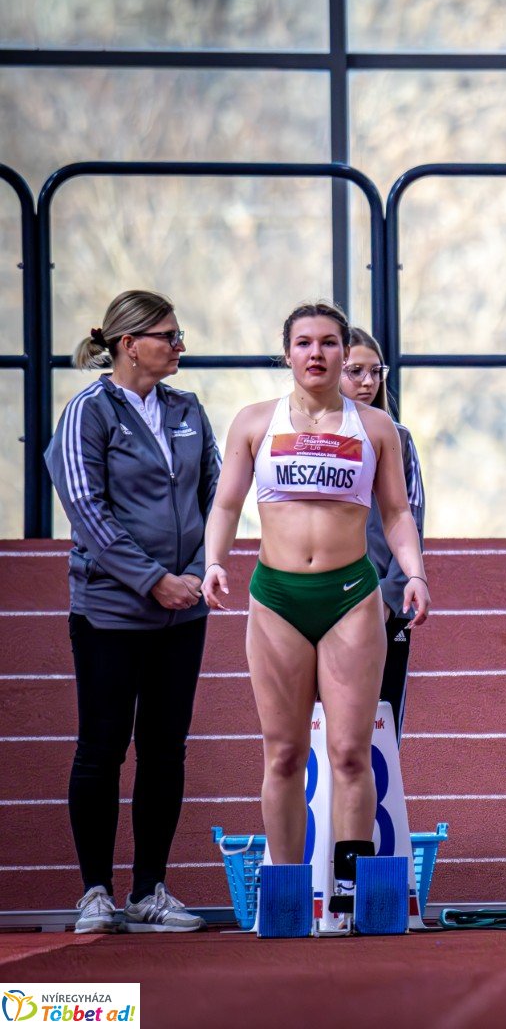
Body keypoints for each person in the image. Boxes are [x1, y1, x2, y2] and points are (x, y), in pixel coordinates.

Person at [202, 300, 429, 935]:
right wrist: (212, 562)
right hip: (276, 598)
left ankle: (350, 899)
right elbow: (225, 503)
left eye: (328, 342)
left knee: (351, 752)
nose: (317, 354)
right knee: (283, 754)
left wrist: (414, 573)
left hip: (351, 595)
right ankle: (286, 896)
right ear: (287, 353)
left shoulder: (376, 427)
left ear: (342, 351)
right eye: (304, 343)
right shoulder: (252, 423)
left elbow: (396, 513)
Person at [47, 290, 219, 934]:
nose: (180, 346)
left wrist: (197, 575)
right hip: (111, 613)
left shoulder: (187, 409)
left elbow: (218, 498)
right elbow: (89, 512)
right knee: (101, 747)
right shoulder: (87, 413)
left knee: (165, 750)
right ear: (128, 344)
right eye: (170, 336)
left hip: (184, 614)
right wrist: (153, 582)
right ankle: (96, 891)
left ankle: (150, 890)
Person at [339, 327, 425, 743]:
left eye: (376, 371)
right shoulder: (308, 439)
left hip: (387, 606)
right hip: (327, 601)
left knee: (382, 729)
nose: (368, 382)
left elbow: (410, 520)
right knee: (323, 725)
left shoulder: (400, 439)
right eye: (355, 371)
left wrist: (389, 600)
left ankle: (375, 812)